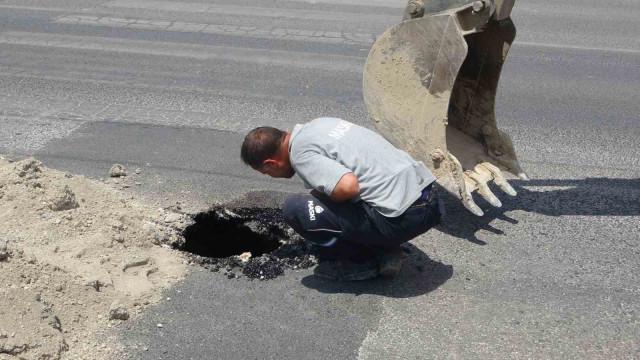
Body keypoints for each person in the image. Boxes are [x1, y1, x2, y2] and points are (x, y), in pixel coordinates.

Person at [240, 117, 445, 281]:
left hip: (406, 217)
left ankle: (360, 263)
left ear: (271, 163)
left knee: (296, 209)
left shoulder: (301, 155)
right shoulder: (319, 125)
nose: (270, 176)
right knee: (328, 199)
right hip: (430, 199)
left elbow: (348, 186)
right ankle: (385, 246)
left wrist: (325, 210)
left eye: (266, 173)